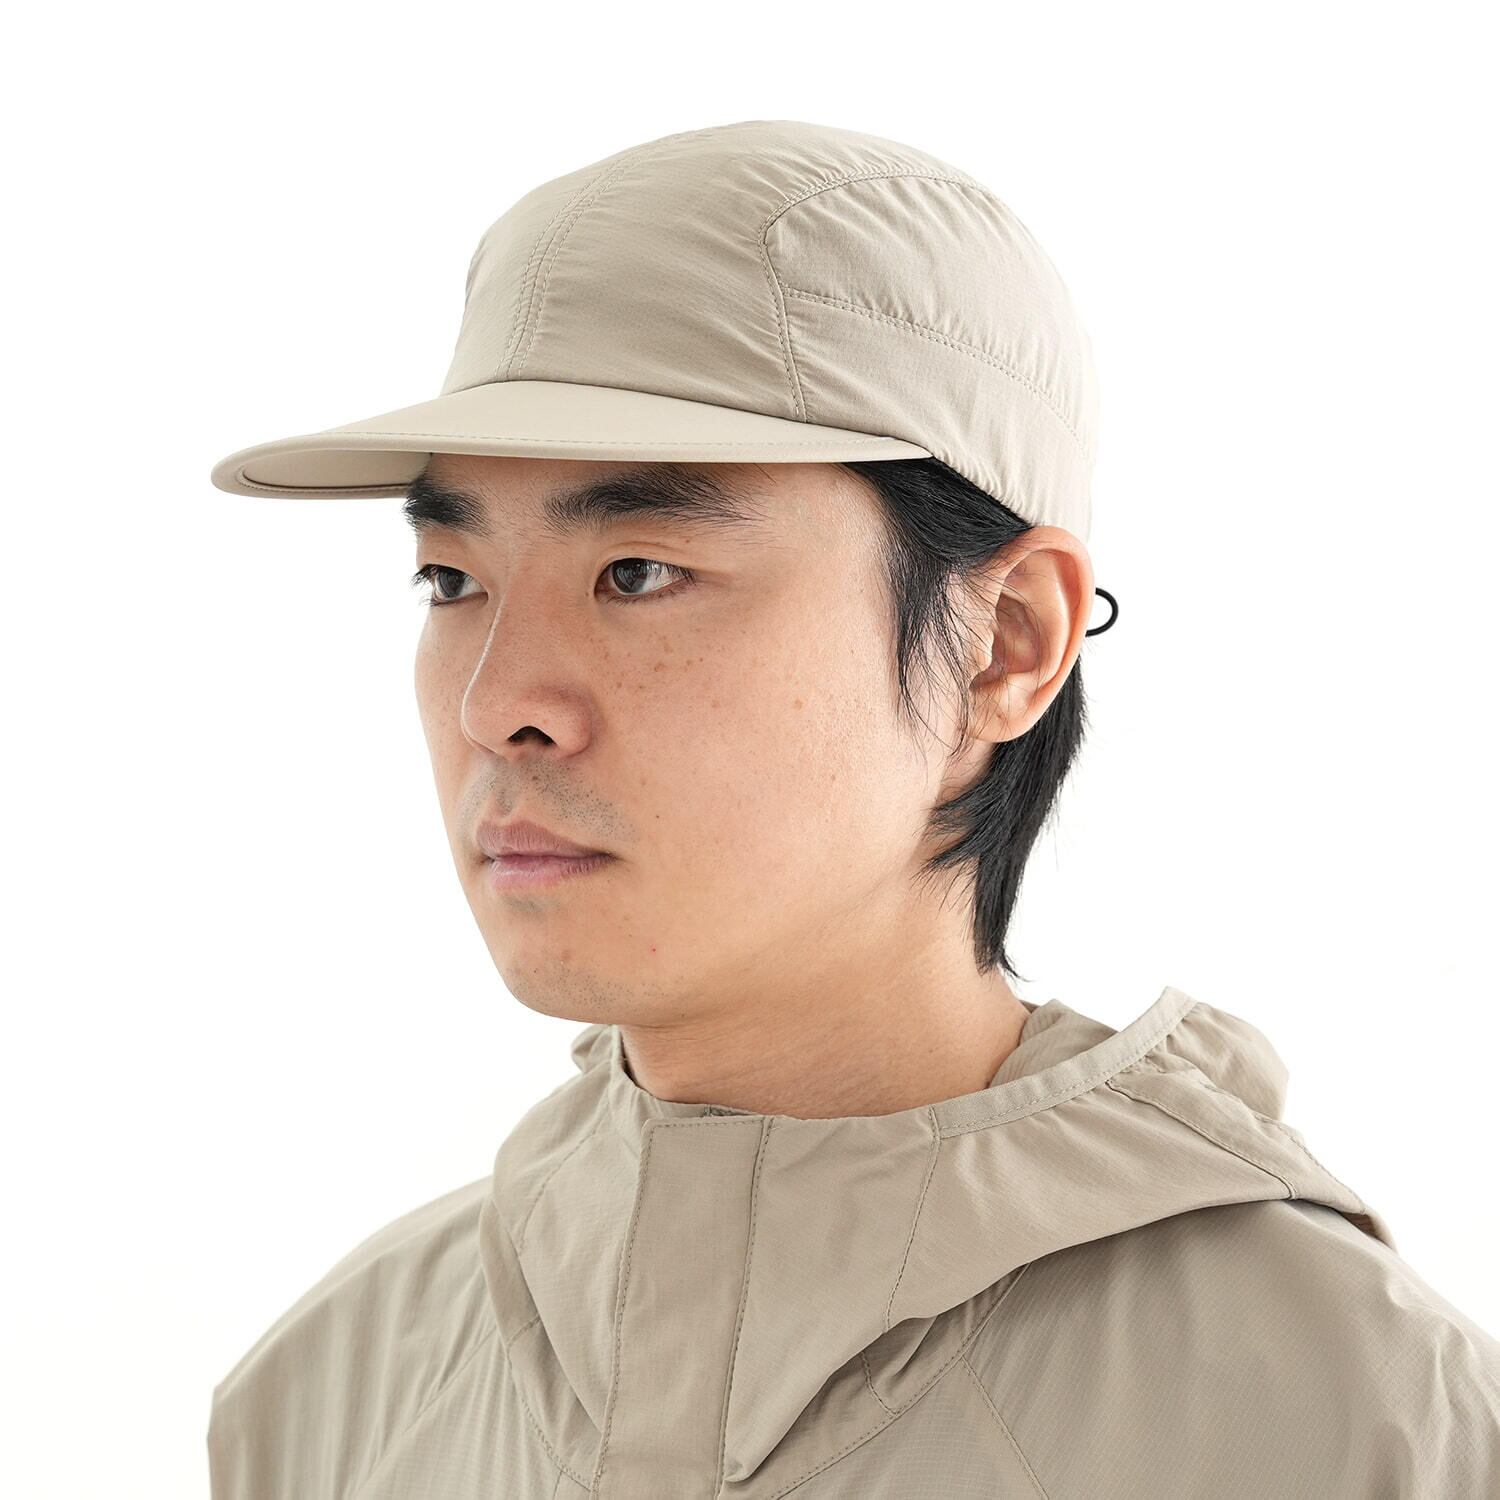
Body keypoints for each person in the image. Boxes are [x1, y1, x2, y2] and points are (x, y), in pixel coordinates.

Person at [205, 119, 1499, 1498]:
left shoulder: (1342, 1417)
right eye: (451, 580)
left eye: (638, 571)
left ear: (1005, 643)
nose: (496, 704)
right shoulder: (331, 1396)